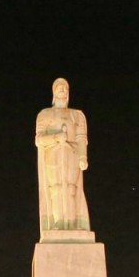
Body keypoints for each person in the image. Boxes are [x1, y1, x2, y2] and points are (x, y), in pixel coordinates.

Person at [36, 77, 90, 232]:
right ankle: (58, 223)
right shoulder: (44, 114)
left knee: (71, 189)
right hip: (53, 155)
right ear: (54, 91)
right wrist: (56, 137)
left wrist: (83, 157)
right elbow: (39, 139)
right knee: (57, 189)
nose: (62, 89)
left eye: (65, 87)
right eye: (59, 86)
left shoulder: (77, 115)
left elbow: (81, 138)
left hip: (72, 154)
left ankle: (73, 224)